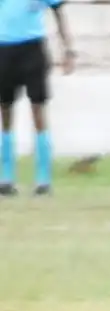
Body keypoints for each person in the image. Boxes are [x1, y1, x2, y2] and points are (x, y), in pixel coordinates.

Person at [0, 0, 74, 196]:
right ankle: (6, 177)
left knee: (38, 109)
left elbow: (59, 12)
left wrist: (68, 49)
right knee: (5, 110)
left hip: (32, 49)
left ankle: (43, 179)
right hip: (4, 49)